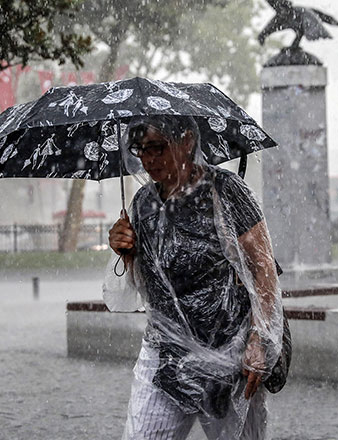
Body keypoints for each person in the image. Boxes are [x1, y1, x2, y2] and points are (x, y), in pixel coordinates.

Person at [107, 115, 283, 440]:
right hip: (166, 358)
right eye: (140, 150)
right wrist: (125, 249)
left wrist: (259, 341)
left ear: (187, 142)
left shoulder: (226, 192)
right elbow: (147, 284)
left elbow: (263, 269)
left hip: (229, 357)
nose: (148, 159)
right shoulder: (143, 203)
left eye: (157, 148)